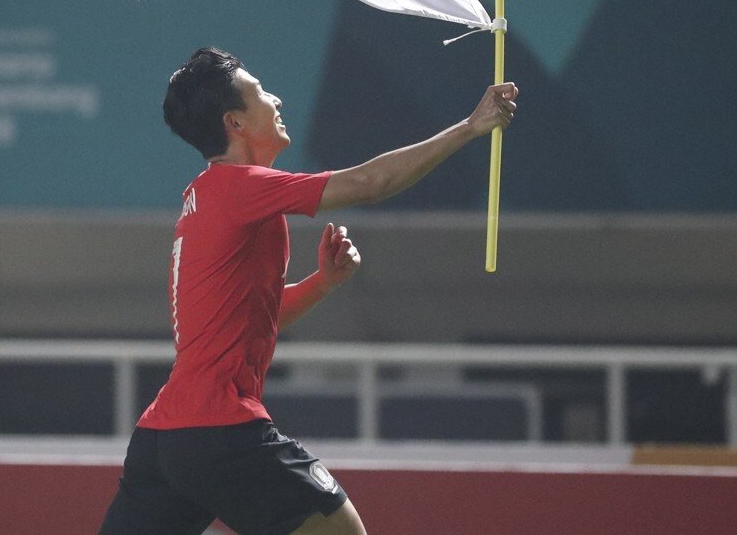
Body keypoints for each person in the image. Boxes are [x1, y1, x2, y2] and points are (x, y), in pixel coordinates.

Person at [99, 47, 519, 535]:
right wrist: (472, 126)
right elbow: (370, 183)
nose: (276, 99)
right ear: (234, 123)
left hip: (163, 438)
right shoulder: (241, 187)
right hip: (220, 428)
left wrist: (323, 283)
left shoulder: (206, 196)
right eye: (260, 93)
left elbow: (259, 316)